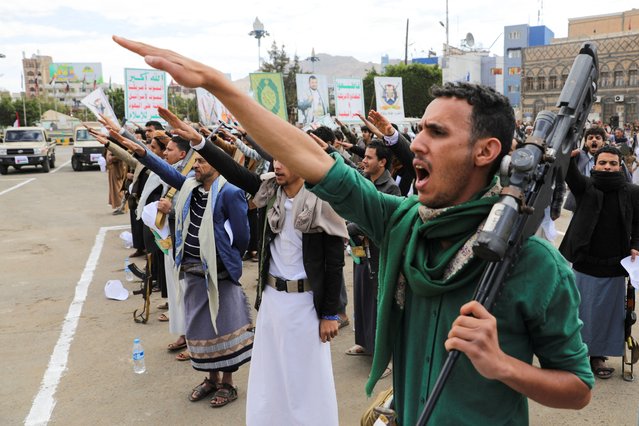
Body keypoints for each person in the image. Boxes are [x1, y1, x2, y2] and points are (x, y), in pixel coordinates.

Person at [114, 37, 594, 425]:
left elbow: (578, 388)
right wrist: (221, 87)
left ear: (486, 152)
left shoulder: (534, 263)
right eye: (420, 129)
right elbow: (316, 162)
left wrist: (501, 365)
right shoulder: (402, 220)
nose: (417, 144)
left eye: (437, 133)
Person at [157, 106, 347, 425]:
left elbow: (334, 260)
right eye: (275, 158)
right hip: (273, 300)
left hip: (306, 305)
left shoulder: (320, 201)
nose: (277, 165)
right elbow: (234, 172)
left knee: (305, 376)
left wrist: (330, 312)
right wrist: (202, 143)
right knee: (270, 372)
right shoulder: (271, 190)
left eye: (285, 159)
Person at [107, 126, 253, 408]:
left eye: (202, 161)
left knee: (225, 328)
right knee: (201, 330)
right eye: (195, 161)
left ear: (218, 164)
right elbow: (165, 170)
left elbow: (243, 236)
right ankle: (210, 380)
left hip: (220, 274)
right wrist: (140, 150)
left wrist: (225, 257)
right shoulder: (190, 186)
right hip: (192, 270)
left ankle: (228, 384)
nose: (196, 165)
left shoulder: (230, 192)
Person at [559, 145, 639, 379]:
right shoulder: (585, 186)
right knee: (578, 311)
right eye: (602, 163)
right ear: (594, 165)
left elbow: (637, 223)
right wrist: (570, 158)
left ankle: (598, 357)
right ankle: (574, 356)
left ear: (620, 165)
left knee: (608, 314)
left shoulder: (632, 192)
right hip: (585, 261)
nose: (607, 167)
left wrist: (636, 244)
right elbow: (569, 173)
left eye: (613, 163)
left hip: (615, 264)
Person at [346, 140, 400, 361]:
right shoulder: (364, 182)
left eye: (369, 158)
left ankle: (384, 355)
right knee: (361, 296)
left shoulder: (391, 189)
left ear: (382, 162)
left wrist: (352, 227)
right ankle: (365, 342)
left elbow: (382, 220)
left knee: (379, 301)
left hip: (379, 253)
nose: (364, 161)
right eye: (364, 157)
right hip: (360, 250)